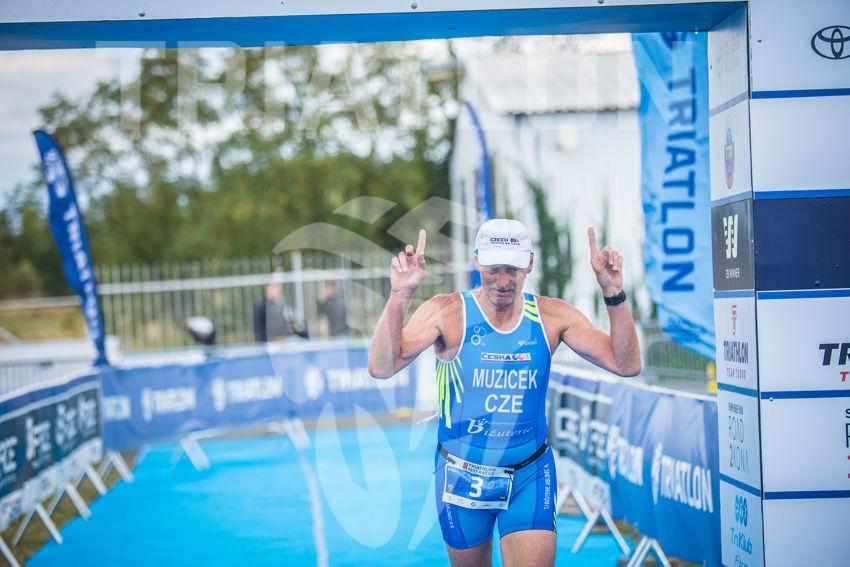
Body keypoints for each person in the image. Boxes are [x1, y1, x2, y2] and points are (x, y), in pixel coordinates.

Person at [368, 219, 640, 567]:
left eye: (512, 269)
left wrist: (613, 292)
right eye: (493, 269)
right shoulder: (447, 313)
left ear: (530, 264)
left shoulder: (551, 316)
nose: (502, 281)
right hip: (461, 475)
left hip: (529, 474)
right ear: (476, 261)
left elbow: (626, 363)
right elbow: (382, 366)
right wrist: (399, 296)